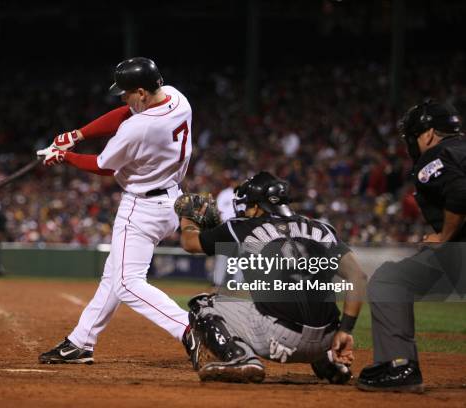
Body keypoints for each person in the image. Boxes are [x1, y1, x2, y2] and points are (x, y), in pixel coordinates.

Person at [36, 57, 193, 364]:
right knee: (114, 275)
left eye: (126, 92)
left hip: (142, 207)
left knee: (126, 282)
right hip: (170, 201)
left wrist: (64, 157)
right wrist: (77, 135)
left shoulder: (140, 127)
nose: (122, 97)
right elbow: (125, 112)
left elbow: (103, 166)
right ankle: (81, 342)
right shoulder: (176, 96)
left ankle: (191, 328)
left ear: (142, 92)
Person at [177, 171, 367, 383]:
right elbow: (357, 276)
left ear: (257, 206)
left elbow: (190, 243)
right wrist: (345, 330)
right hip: (328, 340)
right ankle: (328, 363)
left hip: (276, 339)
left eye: (248, 204)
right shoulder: (323, 229)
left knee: (202, 304)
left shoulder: (241, 227)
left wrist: (188, 220)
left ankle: (239, 357)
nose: (245, 209)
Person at [357, 100, 466, 393]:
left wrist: (444, 236)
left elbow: (460, 193)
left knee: (390, 279)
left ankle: (399, 364)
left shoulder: (436, 155)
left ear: (428, 133)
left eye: (413, 135)